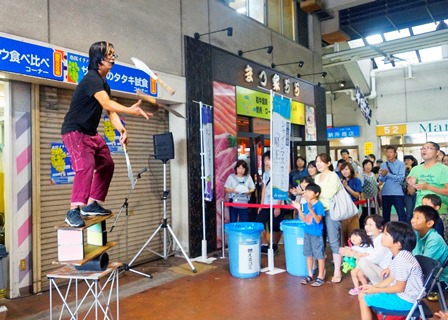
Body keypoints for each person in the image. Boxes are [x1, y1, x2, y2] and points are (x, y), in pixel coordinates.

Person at [61, 41, 152, 227]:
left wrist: (122, 129)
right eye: (109, 54)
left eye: (113, 54)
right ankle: (73, 210)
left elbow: (111, 113)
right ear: (98, 59)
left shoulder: (104, 85)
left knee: (107, 164)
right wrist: (130, 109)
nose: (112, 57)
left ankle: (91, 204)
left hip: (91, 133)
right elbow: (107, 104)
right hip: (75, 131)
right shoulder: (92, 79)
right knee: (86, 165)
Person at [358, 221, 423, 320]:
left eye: (386, 234)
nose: (382, 236)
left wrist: (376, 290)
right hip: (403, 296)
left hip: (407, 301)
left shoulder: (402, 259)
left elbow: (399, 288)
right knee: (364, 293)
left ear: (398, 244)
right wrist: (373, 287)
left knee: (363, 298)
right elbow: (391, 278)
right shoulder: (400, 255)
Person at [314, 153, 343, 283]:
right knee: (319, 240)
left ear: (329, 163)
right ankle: (322, 270)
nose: (318, 164)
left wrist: (314, 195)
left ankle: (337, 270)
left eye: (321, 161)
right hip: (318, 211)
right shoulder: (317, 177)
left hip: (331, 210)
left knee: (333, 241)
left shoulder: (333, 176)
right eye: (317, 162)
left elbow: (329, 193)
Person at [292, 183, 326, 287]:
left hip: (316, 234)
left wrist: (311, 210)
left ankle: (320, 276)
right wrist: (299, 209)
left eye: (310, 191)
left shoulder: (319, 205)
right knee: (308, 254)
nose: (306, 193)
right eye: (306, 191)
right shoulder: (306, 204)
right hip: (307, 232)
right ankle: (310, 275)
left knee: (319, 255)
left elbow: (318, 220)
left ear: (316, 193)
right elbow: (304, 219)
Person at [407, 141, 448, 226]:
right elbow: (411, 192)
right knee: (419, 238)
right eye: (423, 148)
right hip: (419, 210)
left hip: (438, 211)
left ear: (437, 152)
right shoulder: (415, 169)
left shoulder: (444, 169)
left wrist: (428, 187)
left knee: (438, 237)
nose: (424, 150)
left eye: (429, 148)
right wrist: (411, 184)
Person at [411, 205, 448, 292]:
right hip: (423, 275)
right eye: (413, 217)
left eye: (417, 218)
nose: (413, 220)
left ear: (429, 223)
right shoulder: (417, 234)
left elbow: (424, 266)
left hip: (440, 280)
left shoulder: (434, 238)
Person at [350, 214, 392, 285]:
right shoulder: (373, 238)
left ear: (380, 228)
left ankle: (378, 286)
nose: (367, 227)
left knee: (362, 262)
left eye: (370, 225)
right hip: (381, 269)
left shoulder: (382, 239)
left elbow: (374, 259)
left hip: (387, 273)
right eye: (366, 224)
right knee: (361, 268)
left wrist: (354, 254)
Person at [257, 151, 284, 254]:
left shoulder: (280, 173)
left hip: (277, 203)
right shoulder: (265, 173)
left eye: (269, 159)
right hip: (266, 204)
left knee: (276, 227)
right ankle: (264, 244)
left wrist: (278, 206)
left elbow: (281, 189)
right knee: (259, 223)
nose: (267, 162)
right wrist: (261, 203)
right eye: (265, 160)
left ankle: (275, 245)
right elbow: (263, 189)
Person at [341, 229, 373, 296]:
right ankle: (365, 287)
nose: (353, 238)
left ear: (363, 238)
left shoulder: (367, 247)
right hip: (359, 265)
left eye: (356, 236)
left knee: (353, 273)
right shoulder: (354, 247)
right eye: (352, 235)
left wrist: (361, 255)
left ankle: (357, 288)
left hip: (365, 264)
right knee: (360, 275)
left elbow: (370, 255)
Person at [378, 145, 406, 223]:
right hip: (385, 193)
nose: (388, 154)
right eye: (387, 152)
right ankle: (386, 232)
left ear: (395, 154)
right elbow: (381, 179)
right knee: (385, 216)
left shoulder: (401, 164)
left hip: (398, 193)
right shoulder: (383, 164)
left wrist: (387, 174)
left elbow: (401, 178)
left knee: (401, 215)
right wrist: (383, 176)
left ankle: (403, 232)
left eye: (391, 152)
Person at [339, 162, 362, 245]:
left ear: (351, 170)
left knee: (353, 231)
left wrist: (347, 187)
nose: (344, 172)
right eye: (342, 170)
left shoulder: (356, 181)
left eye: (346, 169)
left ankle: (355, 249)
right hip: (342, 210)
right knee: (343, 232)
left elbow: (356, 195)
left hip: (353, 209)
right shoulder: (339, 181)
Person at [359, 159, 378, 229]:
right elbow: (360, 186)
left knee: (373, 212)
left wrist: (379, 184)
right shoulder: (362, 175)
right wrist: (362, 196)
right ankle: (361, 226)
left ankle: (371, 226)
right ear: (363, 166)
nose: (368, 166)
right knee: (365, 212)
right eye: (366, 165)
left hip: (374, 197)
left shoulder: (373, 174)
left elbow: (375, 183)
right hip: (365, 197)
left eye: (369, 165)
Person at [403, 155, 418, 222]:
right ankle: (407, 227)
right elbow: (402, 181)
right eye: (405, 160)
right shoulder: (403, 170)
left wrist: (411, 169)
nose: (407, 162)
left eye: (408, 160)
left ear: (412, 161)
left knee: (415, 211)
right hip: (407, 193)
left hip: (416, 192)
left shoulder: (416, 169)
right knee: (409, 211)